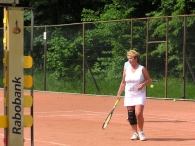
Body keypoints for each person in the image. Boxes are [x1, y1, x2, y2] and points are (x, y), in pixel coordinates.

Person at [117, 50, 152, 141]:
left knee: (139, 113)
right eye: (128, 58)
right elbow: (123, 82)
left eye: (131, 58)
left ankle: (141, 132)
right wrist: (119, 93)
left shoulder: (142, 69)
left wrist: (143, 84)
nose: (129, 60)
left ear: (136, 59)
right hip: (129, 94)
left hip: (139, 94)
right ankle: (134, 133)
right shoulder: (126, 69)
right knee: (131, 115)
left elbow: (149, 80)